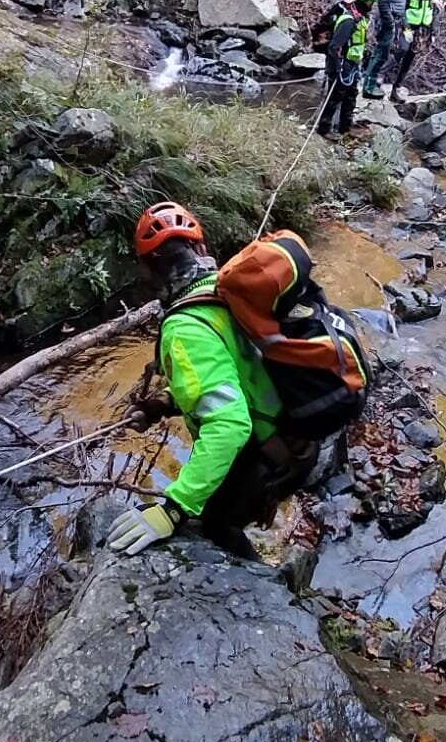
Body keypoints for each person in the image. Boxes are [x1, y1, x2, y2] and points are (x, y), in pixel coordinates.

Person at [106, 203, 319, 559]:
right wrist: (164, 404)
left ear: (147, 268)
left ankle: (261, 599)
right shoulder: (228, 290)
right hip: (294, 436)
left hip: (269, 455)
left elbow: (229, 424)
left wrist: (176, 508)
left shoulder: (183, 327)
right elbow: (230, 369)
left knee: (215, 525)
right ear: (201, 249)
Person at [316, 0, 381, 138]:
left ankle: (345, 126)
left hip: (352, 63)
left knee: (351, 95)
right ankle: (324, 128)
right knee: (335, 96)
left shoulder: (361, 16)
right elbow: (335, 46)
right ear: (367, 0)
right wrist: (336, 68)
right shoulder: (349, 20)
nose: (374, 5)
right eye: (373, 1)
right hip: (343, 63)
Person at [362, 0, 419, 99]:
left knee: (401, 49)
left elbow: (400, 4)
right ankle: (369, 86)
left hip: (398, 20)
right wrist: (389, 23)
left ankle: (373, 83)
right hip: (389, 21)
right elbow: (383, 3)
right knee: (380, 53)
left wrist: (405, 25)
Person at [389, 0, 445, 100]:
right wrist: (406, 27)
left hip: (422, 28)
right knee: (402, 49)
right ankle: (380, 76)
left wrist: (431, 32)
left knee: (410, 58)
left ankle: (396, 88)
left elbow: (432, 11)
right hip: (407, 23)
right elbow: (409, 2)